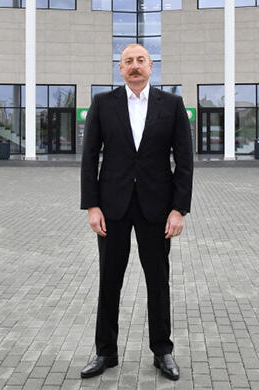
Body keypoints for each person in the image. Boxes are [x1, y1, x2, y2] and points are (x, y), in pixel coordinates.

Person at [80, 43, 193, 381]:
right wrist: (92, 205)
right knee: (109, 281)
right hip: (111, 207)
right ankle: (105, 352)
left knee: (158, 281)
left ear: (151, 66)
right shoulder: (103, 104)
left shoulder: (171, 105)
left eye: (140, 60)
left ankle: (162, 351)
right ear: (120, 69)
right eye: (128, 61)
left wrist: (178, 209)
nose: (134, 66)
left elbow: (184, 161)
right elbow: (89, 157)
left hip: (156, 207)